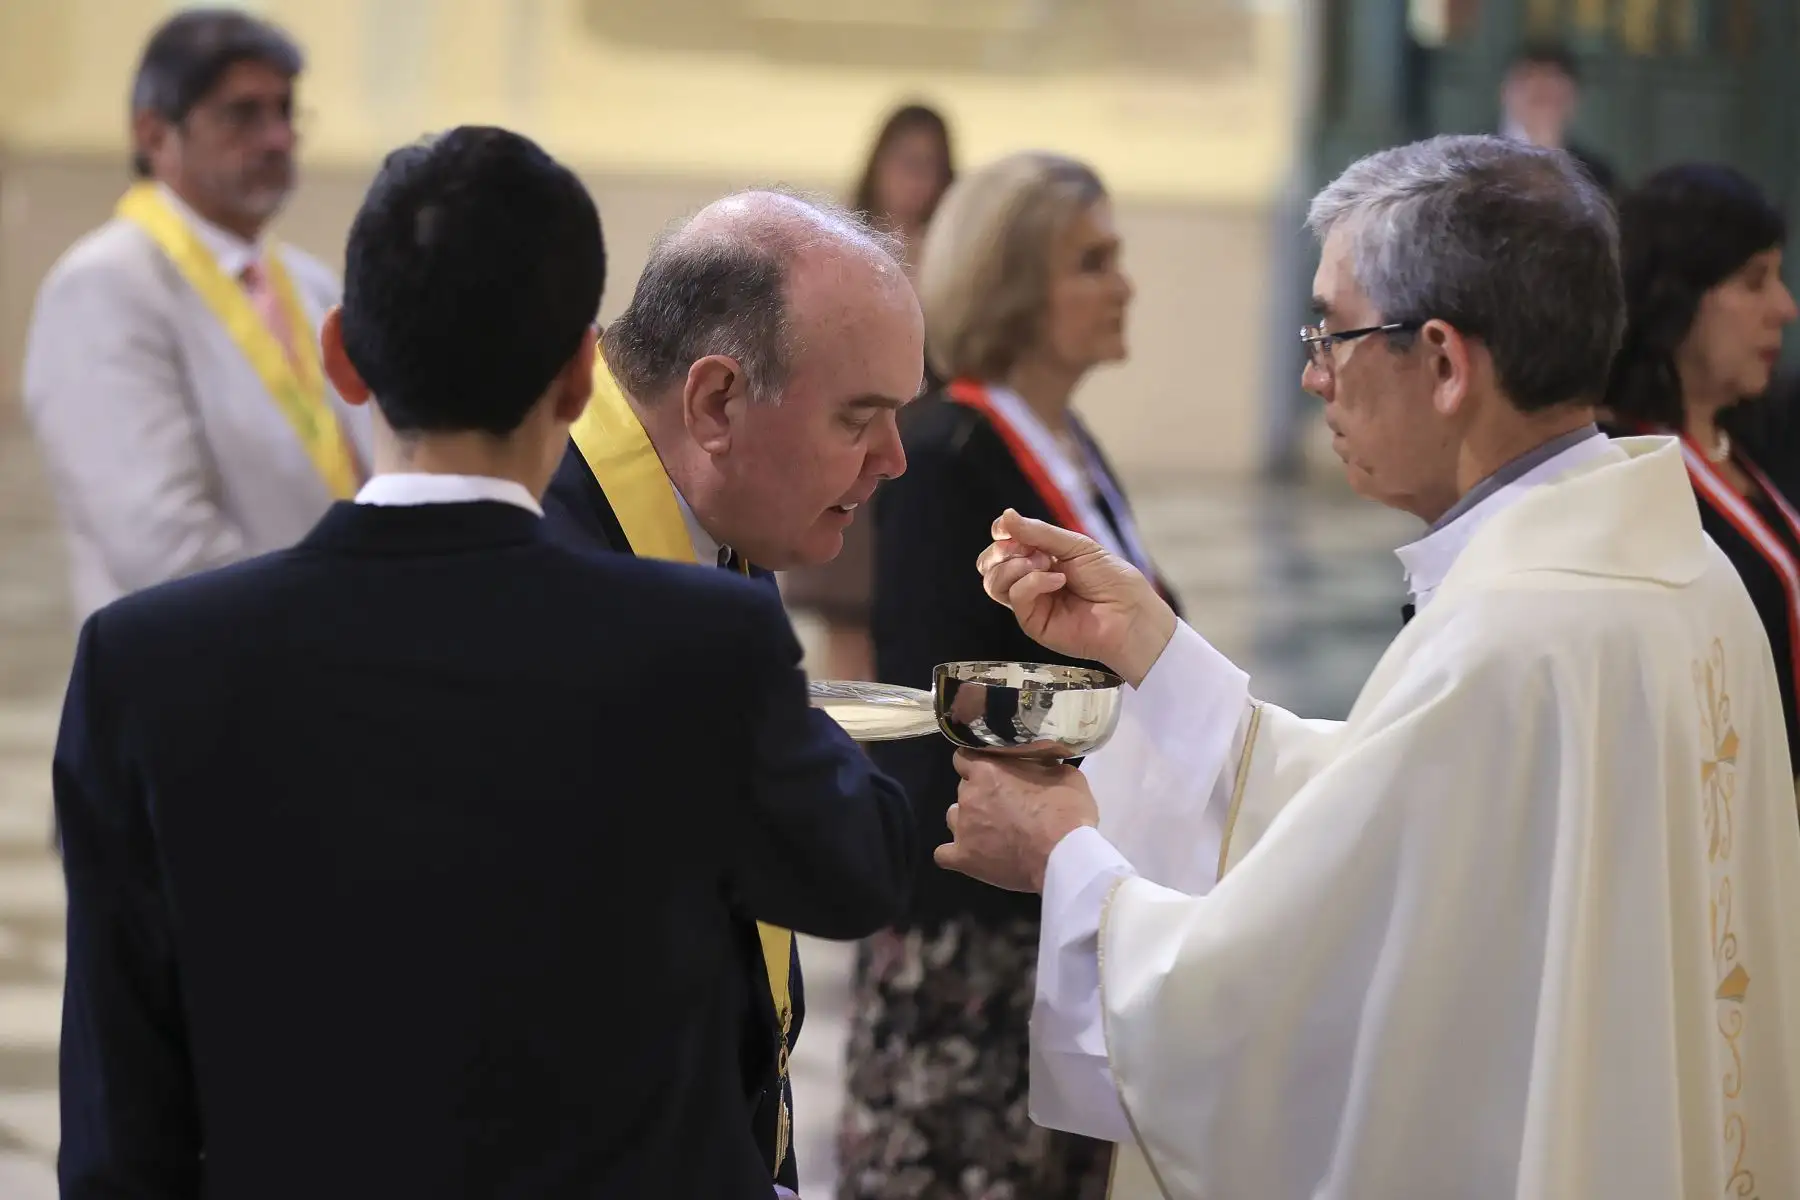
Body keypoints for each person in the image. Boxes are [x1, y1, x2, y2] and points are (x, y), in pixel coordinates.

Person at [52, 125, 916, 1199]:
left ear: (341, 358)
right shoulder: (699, 642)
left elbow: (118, 1128)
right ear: (580, 377)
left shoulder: (143, 664)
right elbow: (857, 865)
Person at [939, 135, 1800, 1198]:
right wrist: (1154, 652)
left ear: (1443, 363)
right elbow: (1397, 823)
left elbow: (1277, 996)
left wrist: (1068, 861)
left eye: (1333, 333)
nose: (1314, 375)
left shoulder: (1512, 637)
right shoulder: (1684, 577)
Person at [539, 187, 923, 1191]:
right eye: (860, 418)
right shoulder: (551, 557)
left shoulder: (710, 517)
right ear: (715, 403)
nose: (894, 460)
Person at [837, 150, 1170, 1200]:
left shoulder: (1069, 446)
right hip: (971, 932)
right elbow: (949, 696)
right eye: (1093, 262)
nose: (1124, 284)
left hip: (1064, 899)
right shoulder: (947, 451)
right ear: (1015, 283)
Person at [22, 7, 369, 625]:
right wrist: (329, 620)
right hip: (203, 657)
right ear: (155, 135)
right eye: (243, 114)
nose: (277, 138)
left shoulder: (309, 283)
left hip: (326, 642)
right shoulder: (105, 286)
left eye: (285, 110)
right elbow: (162, 544)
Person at [1602, 164, 1800, 775]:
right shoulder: (1620, 470)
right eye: (1753, 281)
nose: (1784, 308)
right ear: (1676, 294)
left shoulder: (1757, 440)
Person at [782, 102, 956, 681]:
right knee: (848, 619)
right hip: (853, 444)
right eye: (907, 162)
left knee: (911, 615)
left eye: (932, 166)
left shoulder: (951, 253)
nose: (918, 181)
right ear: (878, 164)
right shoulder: (843, 245)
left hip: (917, 453)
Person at [1499, 42, 1617, 194]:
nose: (1542, 87)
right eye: (1527, 80)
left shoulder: (1597, 175)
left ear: (1573, 97)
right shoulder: (1478, 162)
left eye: (1551, 95)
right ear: (1504, 93)